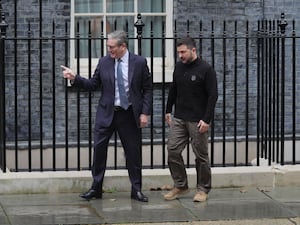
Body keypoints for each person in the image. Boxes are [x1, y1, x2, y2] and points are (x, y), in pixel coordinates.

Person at [61, 30, 152, 202]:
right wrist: (75, 78)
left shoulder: (139, 62)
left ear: (123, 46)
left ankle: (136, 189)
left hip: (129, 114)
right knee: (99, 151)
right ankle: (96, 188)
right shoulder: (104, 62)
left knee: (133, 153)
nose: (109, 50)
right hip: (106, 113)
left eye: (111, 47)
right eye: (108, 47)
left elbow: (147, 89)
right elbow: (93, 84)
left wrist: (145, 113)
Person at [164, 37, 218, 202]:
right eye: (178, 52)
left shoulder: (206, 69)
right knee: (173, 150)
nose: (180, 55)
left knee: (200, 156)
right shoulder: (179, 67)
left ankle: (203, 189)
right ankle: (180, 185)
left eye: (183, 52)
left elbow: (213, 95)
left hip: (198, 120)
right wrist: (168, 110)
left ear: (193, 50)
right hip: (180, 117)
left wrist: (206, 119)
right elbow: (173, 89)